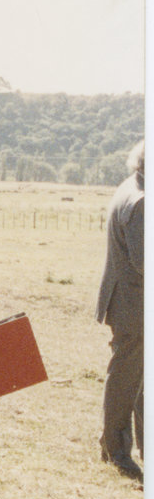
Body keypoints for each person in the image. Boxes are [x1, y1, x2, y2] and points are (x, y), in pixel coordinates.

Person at [96, 140, 144, 480]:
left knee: (137, 379)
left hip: (130, 301)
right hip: (134, 304)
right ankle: (115, 449)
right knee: (127, 379)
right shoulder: (141, 201)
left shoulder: (132, 186)